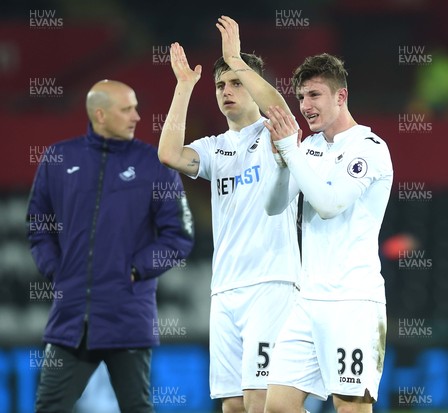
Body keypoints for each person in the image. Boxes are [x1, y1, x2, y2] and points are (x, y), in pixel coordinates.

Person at [157, 16, 301, 413]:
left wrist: (236, 60)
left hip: (270, 283)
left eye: (236, 82)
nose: (226, 90)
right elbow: (169, 154)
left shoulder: (276, 131)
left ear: (253, 87)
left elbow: (278, 105)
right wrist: (184, 88)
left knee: (261, 403)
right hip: (225, 291)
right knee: (233, 406)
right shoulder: (214, 147)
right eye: (221, 84)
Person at [27, 79, 195, 412]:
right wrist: (55, 270)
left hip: (128, 318)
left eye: (136, 107)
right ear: (100, 114)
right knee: (49, 406)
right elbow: (38, 224)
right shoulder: (59, 158)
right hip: (70, 319)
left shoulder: (154, 164)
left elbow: (179, 236)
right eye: (127, 109)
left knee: (137, 408)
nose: (137, 116)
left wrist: (134, 269)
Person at [261, 53, 393, 413]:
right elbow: (273, 206)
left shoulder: (369, 149)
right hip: (308, 301)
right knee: (278, 405)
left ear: (341, 96)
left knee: (349, 408)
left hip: (352, 303)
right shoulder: (309, 147)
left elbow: (329, 204)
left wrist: (290, 149)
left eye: (314, 95)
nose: (305, 106)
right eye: (301, 97)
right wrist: (281, 162)